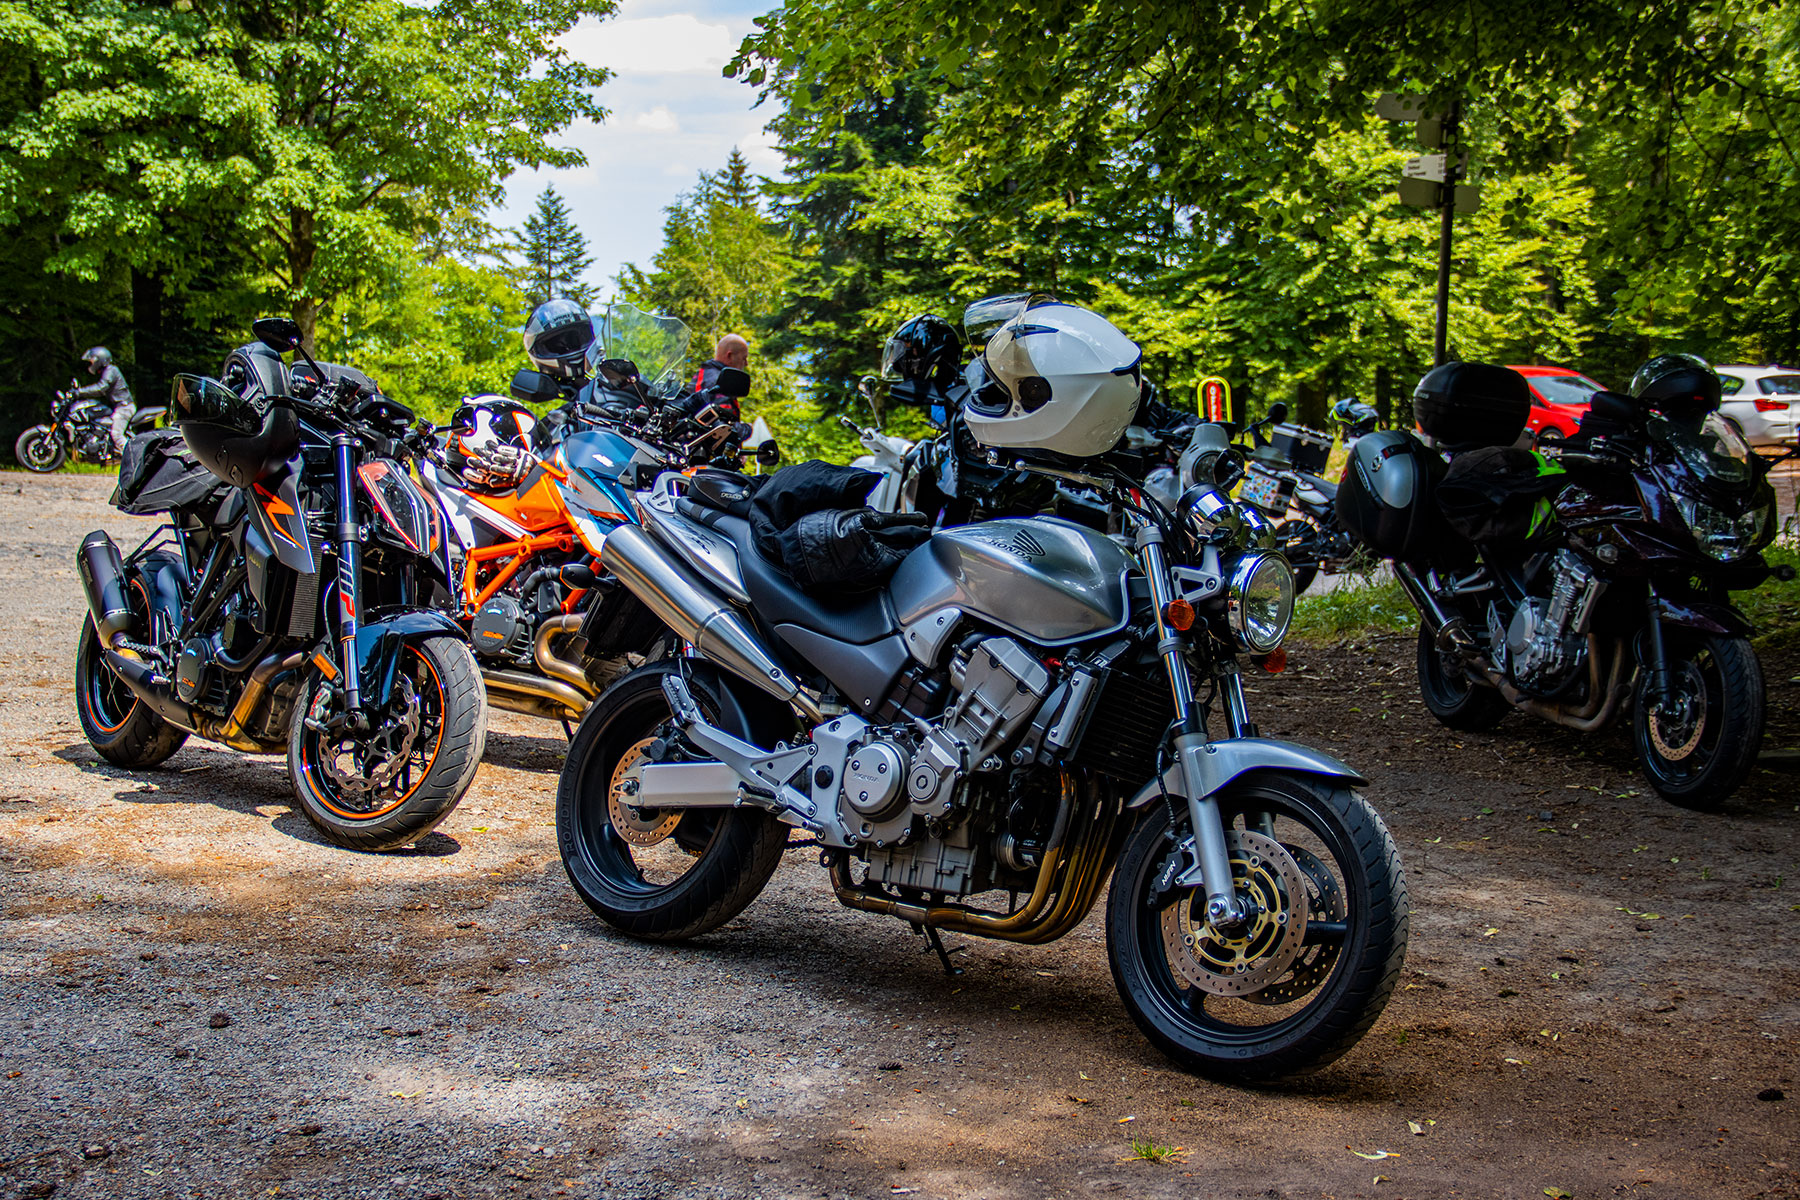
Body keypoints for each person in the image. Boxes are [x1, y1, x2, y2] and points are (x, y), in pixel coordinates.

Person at [70, 347, 134, 453]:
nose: (91, 363)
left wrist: (80, 391)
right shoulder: (107, 371)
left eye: (92, 360)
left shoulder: (111, 370)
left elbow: (101, 387)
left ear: (99, 360)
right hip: (119, 407)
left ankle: (132, 456)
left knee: (116, 435)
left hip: (124, 407)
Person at [678, 333, 750, 422]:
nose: (746, 363)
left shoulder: (705, 374)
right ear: (729, 356)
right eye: (744, 358)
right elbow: (724, 423)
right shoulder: (719, 380)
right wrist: (744, 427)